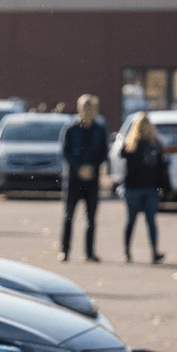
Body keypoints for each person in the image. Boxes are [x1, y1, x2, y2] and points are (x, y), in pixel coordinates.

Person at [58, 94, 107, 262]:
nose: (88, 111)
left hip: (92, 180)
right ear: (79, 109)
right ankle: (65, 250)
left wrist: (92, 167)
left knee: (91, 218)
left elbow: (103, 152)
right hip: (74, 179)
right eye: (85, 108)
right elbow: (65, 151)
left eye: (91, 108)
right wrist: (78, 167)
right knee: (69, 216)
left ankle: (89, 252)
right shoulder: (71, 128)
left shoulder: (100, 129)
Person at [120, 112, 167, 264]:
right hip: (133, 188)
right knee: (131, 221)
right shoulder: (131, 143)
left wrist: (163, 188)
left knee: (151, 221)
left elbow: (161, 167)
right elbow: (123, 155)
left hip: (150, 188)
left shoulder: (155, 144)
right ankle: (127, 251)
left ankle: (154, 252)